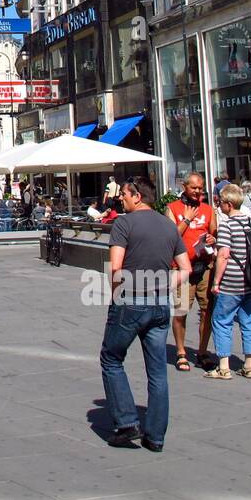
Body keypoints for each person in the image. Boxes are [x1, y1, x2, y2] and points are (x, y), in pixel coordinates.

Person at [100, 176, 189, 451]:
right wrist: (163, 285)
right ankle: (156, 437)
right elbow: (185, 268)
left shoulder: (124, 223)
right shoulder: (169, 225)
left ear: (137, 196)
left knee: (111, 358)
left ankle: (127, 423)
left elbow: (115, 268)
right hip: (161, 304)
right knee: (158, 371)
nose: (121, 198)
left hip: (131, 299)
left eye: (125, 194)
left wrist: (116, 295)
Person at [206, 183, 251, 380]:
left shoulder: (227, 225)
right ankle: (249, 365)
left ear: (229, 205)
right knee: (248, 321)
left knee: (222, 321)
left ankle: (224, 366)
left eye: (220, 202)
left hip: (231, 282)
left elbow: (223, 256)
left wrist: (216, 282)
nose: (219, 205)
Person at [166, 173, 218, 372]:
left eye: (201, 188)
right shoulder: (173, 208)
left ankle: (203, 351)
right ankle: (180, 352)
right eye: (194, 188)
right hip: (182, 268)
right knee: (181, 311)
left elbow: (214, 233)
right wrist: (186, 220)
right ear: (184, 186)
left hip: (204, 266)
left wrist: (213, 239)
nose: (198, 191)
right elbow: (171, 236)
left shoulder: (207, 209)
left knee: (207, 311)